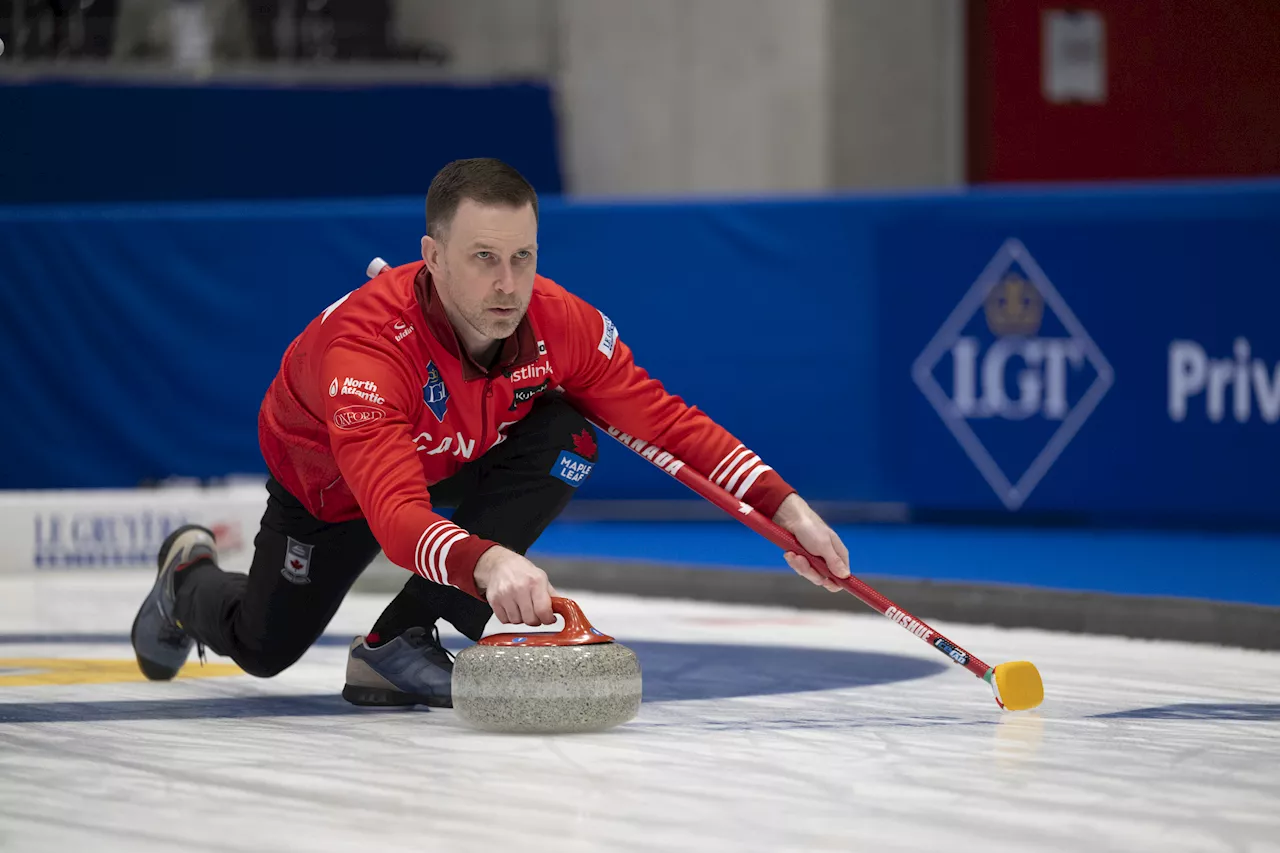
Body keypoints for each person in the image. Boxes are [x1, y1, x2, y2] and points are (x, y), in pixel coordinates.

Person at [131, 157, 852, 707]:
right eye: (483, 258)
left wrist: (789, 511)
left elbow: (665, 423)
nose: (508, 285)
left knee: (570, 432)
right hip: (336, 487)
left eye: (523, 258)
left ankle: (397, 640)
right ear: (433, 255)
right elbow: (397, 520)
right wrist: (488, 562)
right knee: (264, 647)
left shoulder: (556, 320)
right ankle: (186, 579)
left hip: (454, 447)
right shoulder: (368, 353)